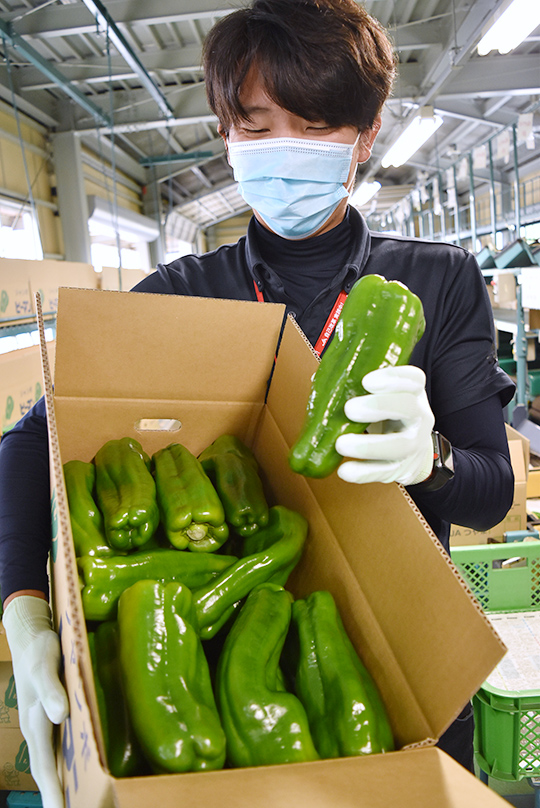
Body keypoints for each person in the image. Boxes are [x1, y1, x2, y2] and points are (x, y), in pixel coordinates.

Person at [0, 0, 515, 805]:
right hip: (232, 666)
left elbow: (495, 491)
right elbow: (33, 440)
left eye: (316, 127)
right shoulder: (180, 291)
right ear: (225, 134)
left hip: (403, 667)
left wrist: (434, 456)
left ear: (366, 135)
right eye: (260, 125)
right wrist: (25, 613)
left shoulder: (437, 280)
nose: (288, 151)